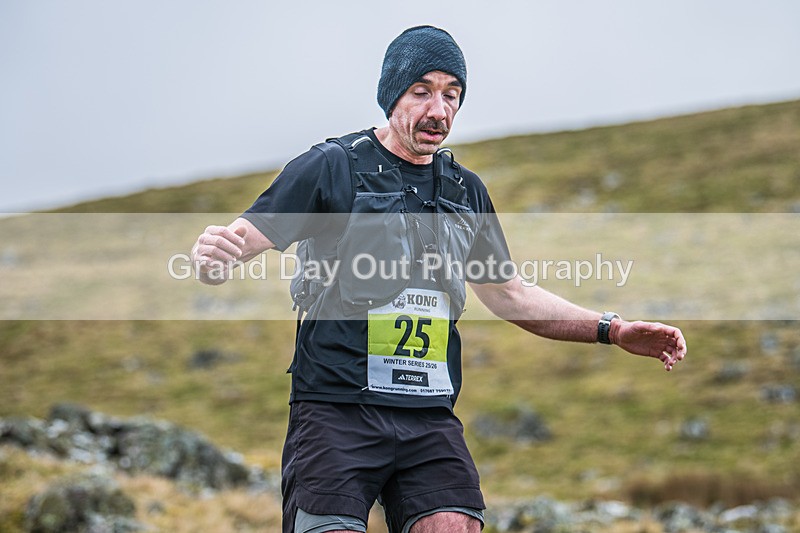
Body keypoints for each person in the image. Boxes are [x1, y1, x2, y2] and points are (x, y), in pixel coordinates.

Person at [190, 25, 686, 533]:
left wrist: (613, 329)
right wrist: (215, 256)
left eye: (452, 95)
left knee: (455, 526)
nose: (439, 110)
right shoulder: (331, 167)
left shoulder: (465, 191)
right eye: (422, 91)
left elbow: (511, 295)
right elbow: (247, 236)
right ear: (392, 96)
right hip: (336, 411)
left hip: (427, 416)